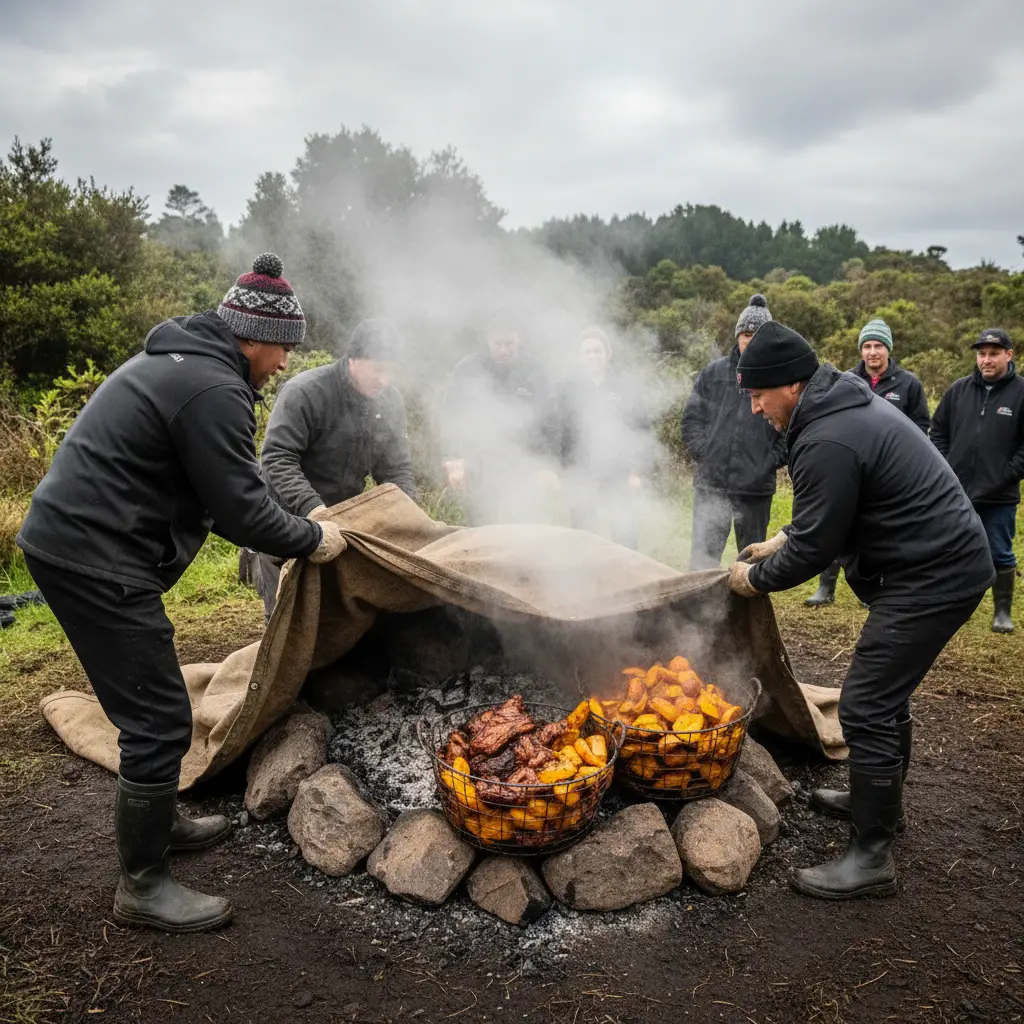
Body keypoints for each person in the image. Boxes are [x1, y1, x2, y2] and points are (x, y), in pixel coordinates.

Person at [16, 254, 347, 933]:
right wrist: (314, 538)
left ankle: (161, 821)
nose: (284, 363)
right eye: (283, 347)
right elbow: (242, 512)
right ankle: (142, 886)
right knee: (159, 718)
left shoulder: (187, 366)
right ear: (252, 335)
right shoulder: (212, 388)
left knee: (152, 690)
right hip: (93, 556)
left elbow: (230, 492)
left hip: (80, 544)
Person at [727, 321, 993, 901]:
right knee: (885, 695)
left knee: (868, 702)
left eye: (757, 395)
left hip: (934, 573)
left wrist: (753, 579)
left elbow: (815, 550)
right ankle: (881, 807)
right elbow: (834, 509)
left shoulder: (827, 436)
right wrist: (784, 536)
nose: (753, 408)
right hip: (936, 562)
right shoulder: (837, 407)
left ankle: (872, 856)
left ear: (791, 386)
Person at [255, 318, 416, 621]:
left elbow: (396, 471)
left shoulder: (390, 402)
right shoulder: (306, 392)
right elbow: (277, 458)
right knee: (288, 623)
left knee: (335, 622)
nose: (384, 379)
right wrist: (315, 511)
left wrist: (410, 519)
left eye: (391, 370)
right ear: (354, 359)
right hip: (285, 522)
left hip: (341, 526)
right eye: (378, 369)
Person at [806, 318, 931, 607]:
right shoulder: (845, 380)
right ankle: (826, 587)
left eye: (878, 346)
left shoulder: (909, 384)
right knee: (837, 523)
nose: (872, 352)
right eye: (867, 346)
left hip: (890, 471)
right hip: (850, 466)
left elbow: (921, 426)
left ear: (888, 349)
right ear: (861, 350)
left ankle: (873, 590)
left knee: (882, 530)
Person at [681, 294, 787, 569]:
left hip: (754, 488)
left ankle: (750, 612)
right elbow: (691, 419)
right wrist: (706, 453)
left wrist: (768, 461)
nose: (750, 340)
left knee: (753, 560)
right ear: (738, 335)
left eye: (758, 334)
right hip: (711, 484)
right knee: (703, 558)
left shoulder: (780, 378)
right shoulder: (713, 373)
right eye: (746, 334)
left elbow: (792, 427)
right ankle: (697, 611)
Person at [931, 328, 1024, 633]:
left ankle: (1002, 613)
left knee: (999, 551)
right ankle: (949, 605)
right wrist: (946, 470)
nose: (987, 360)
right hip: (955, 492)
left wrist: (1004, 475)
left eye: (994, 354)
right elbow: (939, 433)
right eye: (982, 353)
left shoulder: (1021, 392)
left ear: (1009, 356)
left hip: (999, 495)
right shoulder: (958, 390)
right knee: (951, 549)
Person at [441, 326, 560, 524]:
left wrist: (548, 466)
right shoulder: (468, 370)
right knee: (481, 531)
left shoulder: (535, 371)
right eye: (498, 344)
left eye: (509, 343)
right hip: (479, 465)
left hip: (525, 465)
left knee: (524, 530)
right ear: (488, 339)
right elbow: (451, 416)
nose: (503, 350)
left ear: (518, 338)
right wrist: (454, 459)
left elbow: (551, 421)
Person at [557, 327, 652, 548]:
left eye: (597, 351)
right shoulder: (567, 388)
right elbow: (560, 433)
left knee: (624, 531)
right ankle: (584, 574)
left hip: (618, 473)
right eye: (587, 352)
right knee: (581, 532)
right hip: (581, 473)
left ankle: (630, 575)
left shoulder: (625, 386)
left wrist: (636, 472)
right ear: (579, 357)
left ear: (608, 354)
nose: (592, 356)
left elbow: (640, 429)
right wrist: (563, 472)